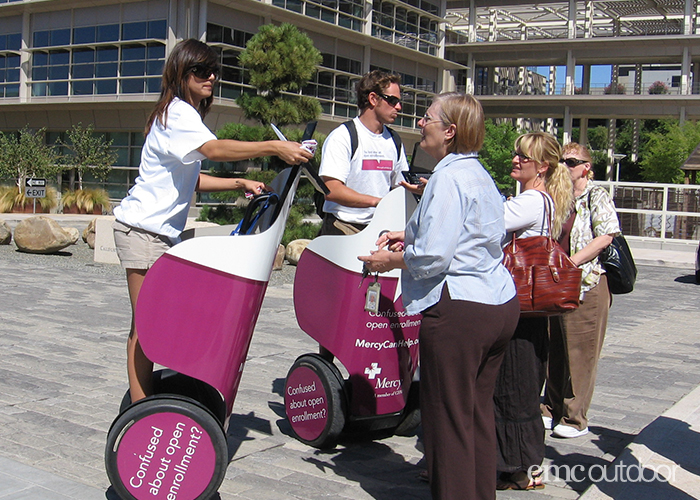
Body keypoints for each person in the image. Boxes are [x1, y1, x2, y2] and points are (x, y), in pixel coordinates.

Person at [112, 39, 313, 402]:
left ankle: (147, 401)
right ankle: (139, 413)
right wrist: (272, 146)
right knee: (145, 328)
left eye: (213, 71)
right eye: (201, 71)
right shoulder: (178, 113)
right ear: (181, 73)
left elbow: (193, 179)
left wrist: (240, 182)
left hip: (156, 234)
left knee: (157, 324)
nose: (211, 77)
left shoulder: (183, 114)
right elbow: (214, 150)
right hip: (142, 231)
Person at [358, 92, 519, 500]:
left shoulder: (447, 177)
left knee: (448, 422)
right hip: (497, 302)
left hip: (461, 310)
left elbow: (433, 255)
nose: (420, 123)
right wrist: (405, 233)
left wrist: (388, 261)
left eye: (427, 118)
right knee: (477, 414)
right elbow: (469, 232)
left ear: (449, 131)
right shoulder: (478, 173)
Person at [493, 132, 573, 491]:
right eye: (515, 154)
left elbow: (487, 221)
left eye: (522, 157)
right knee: (521, 383)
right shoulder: (540, 200)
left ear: (541, 166)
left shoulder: (530, 202)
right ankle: (522, 464)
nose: (515, 160)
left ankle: (516, 465)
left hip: (521, 308)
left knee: (513, 382)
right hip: (530, 311)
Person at [542, 142, 621, 438]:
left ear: (587, 167)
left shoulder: (596, 195)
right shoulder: (557, 195)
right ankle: (550, 407)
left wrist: (572, 262)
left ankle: (575, 417)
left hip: (586, 282)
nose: (565, 165)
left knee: (581, 352)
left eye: (572, 161)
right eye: (561, 160)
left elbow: (606, 236)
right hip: (557, 283)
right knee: (554, 348)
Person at [317, 69, 421, 236]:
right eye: (392, 100)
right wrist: (377, 202)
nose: (399, 107)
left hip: (380, 229)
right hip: (343, 227)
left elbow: (400, 188)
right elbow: (331, 190)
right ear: (373, 99)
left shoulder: (394, 140)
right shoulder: (343, 136)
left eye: (400, 102)